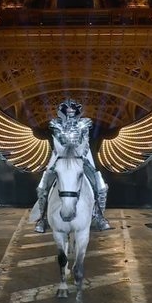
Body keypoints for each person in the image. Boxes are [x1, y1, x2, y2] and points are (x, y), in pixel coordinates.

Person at [33, 99, 111, 233]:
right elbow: (57, 142)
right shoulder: (57, 124)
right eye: (68, 110)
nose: (70, 112)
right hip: (61, 156)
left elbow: (85, 142)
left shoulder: (83, 124)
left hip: (80, 156)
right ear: (63, 111)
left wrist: (80, 157)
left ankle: (99, 216)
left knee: (101, 185)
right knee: (42, 186)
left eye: (73, 110)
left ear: (77, 112)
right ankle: (42, 218)